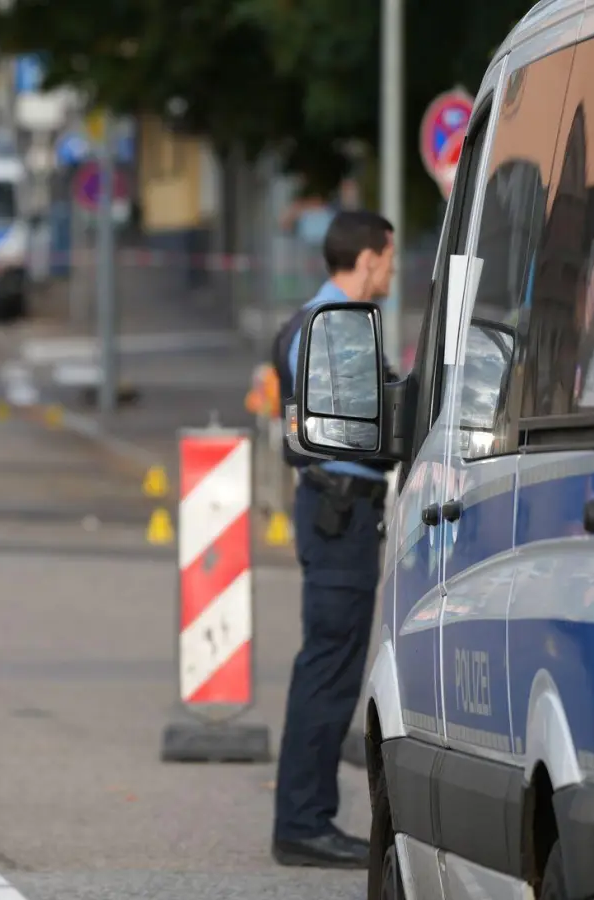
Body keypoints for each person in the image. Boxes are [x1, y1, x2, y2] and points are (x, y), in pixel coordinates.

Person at [270, 209, 398, 869]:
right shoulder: (337, 329)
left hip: (335, 510)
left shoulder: (318, 321)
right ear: (369, 258)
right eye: (390, 258)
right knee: (328, 670)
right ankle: (303, 823)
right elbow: (368, 425)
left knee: (329, 666)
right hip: (340, 512)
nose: (393, 272)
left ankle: (304, 817)